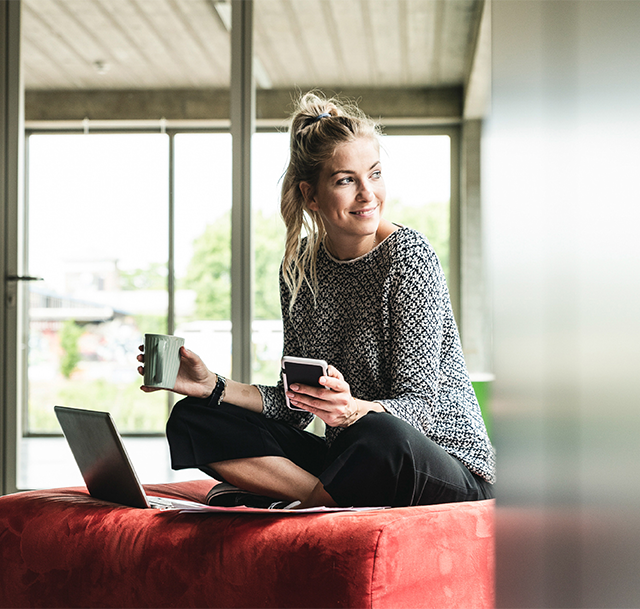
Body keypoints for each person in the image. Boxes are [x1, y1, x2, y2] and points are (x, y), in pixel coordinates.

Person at [138, 92, 494, 508]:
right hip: (350, 459)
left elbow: (423, 407)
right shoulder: (300, 270)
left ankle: (303, 495)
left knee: (379, 434)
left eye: (375, 174)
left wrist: (352, 410)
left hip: (440, 463)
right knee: (194, 417)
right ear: (311, 195)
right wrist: (212, 385)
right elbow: (295, 408)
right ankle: (315, 498)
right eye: (346, 180)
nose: (368, 194)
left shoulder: (408, 256)